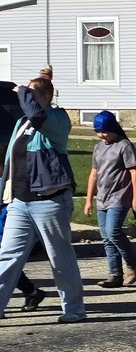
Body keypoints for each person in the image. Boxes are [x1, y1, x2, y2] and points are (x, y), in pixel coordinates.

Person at [0, 76, 86, 323]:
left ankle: (74, 309)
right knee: (7, 256)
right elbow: (10, 162)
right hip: (19, 201)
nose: (25, 98)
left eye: (32, 94)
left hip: (50, 200)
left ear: (47, 96)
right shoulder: (21, 122)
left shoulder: (56, 118)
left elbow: (37, 114)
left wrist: (22, 91)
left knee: (59, 257)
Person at [83, 110, 136, 288]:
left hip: (120, 196)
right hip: (102, 197)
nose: (101, 135)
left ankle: (133, 262)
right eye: (97, 132)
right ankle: (115, 274)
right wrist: (88, 199)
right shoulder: (98, 148)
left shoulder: (124, 146)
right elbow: (93, 174)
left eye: (104, 131)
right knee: (106, 238)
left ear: (113, 128)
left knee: (113, 232)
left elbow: (134, 172)